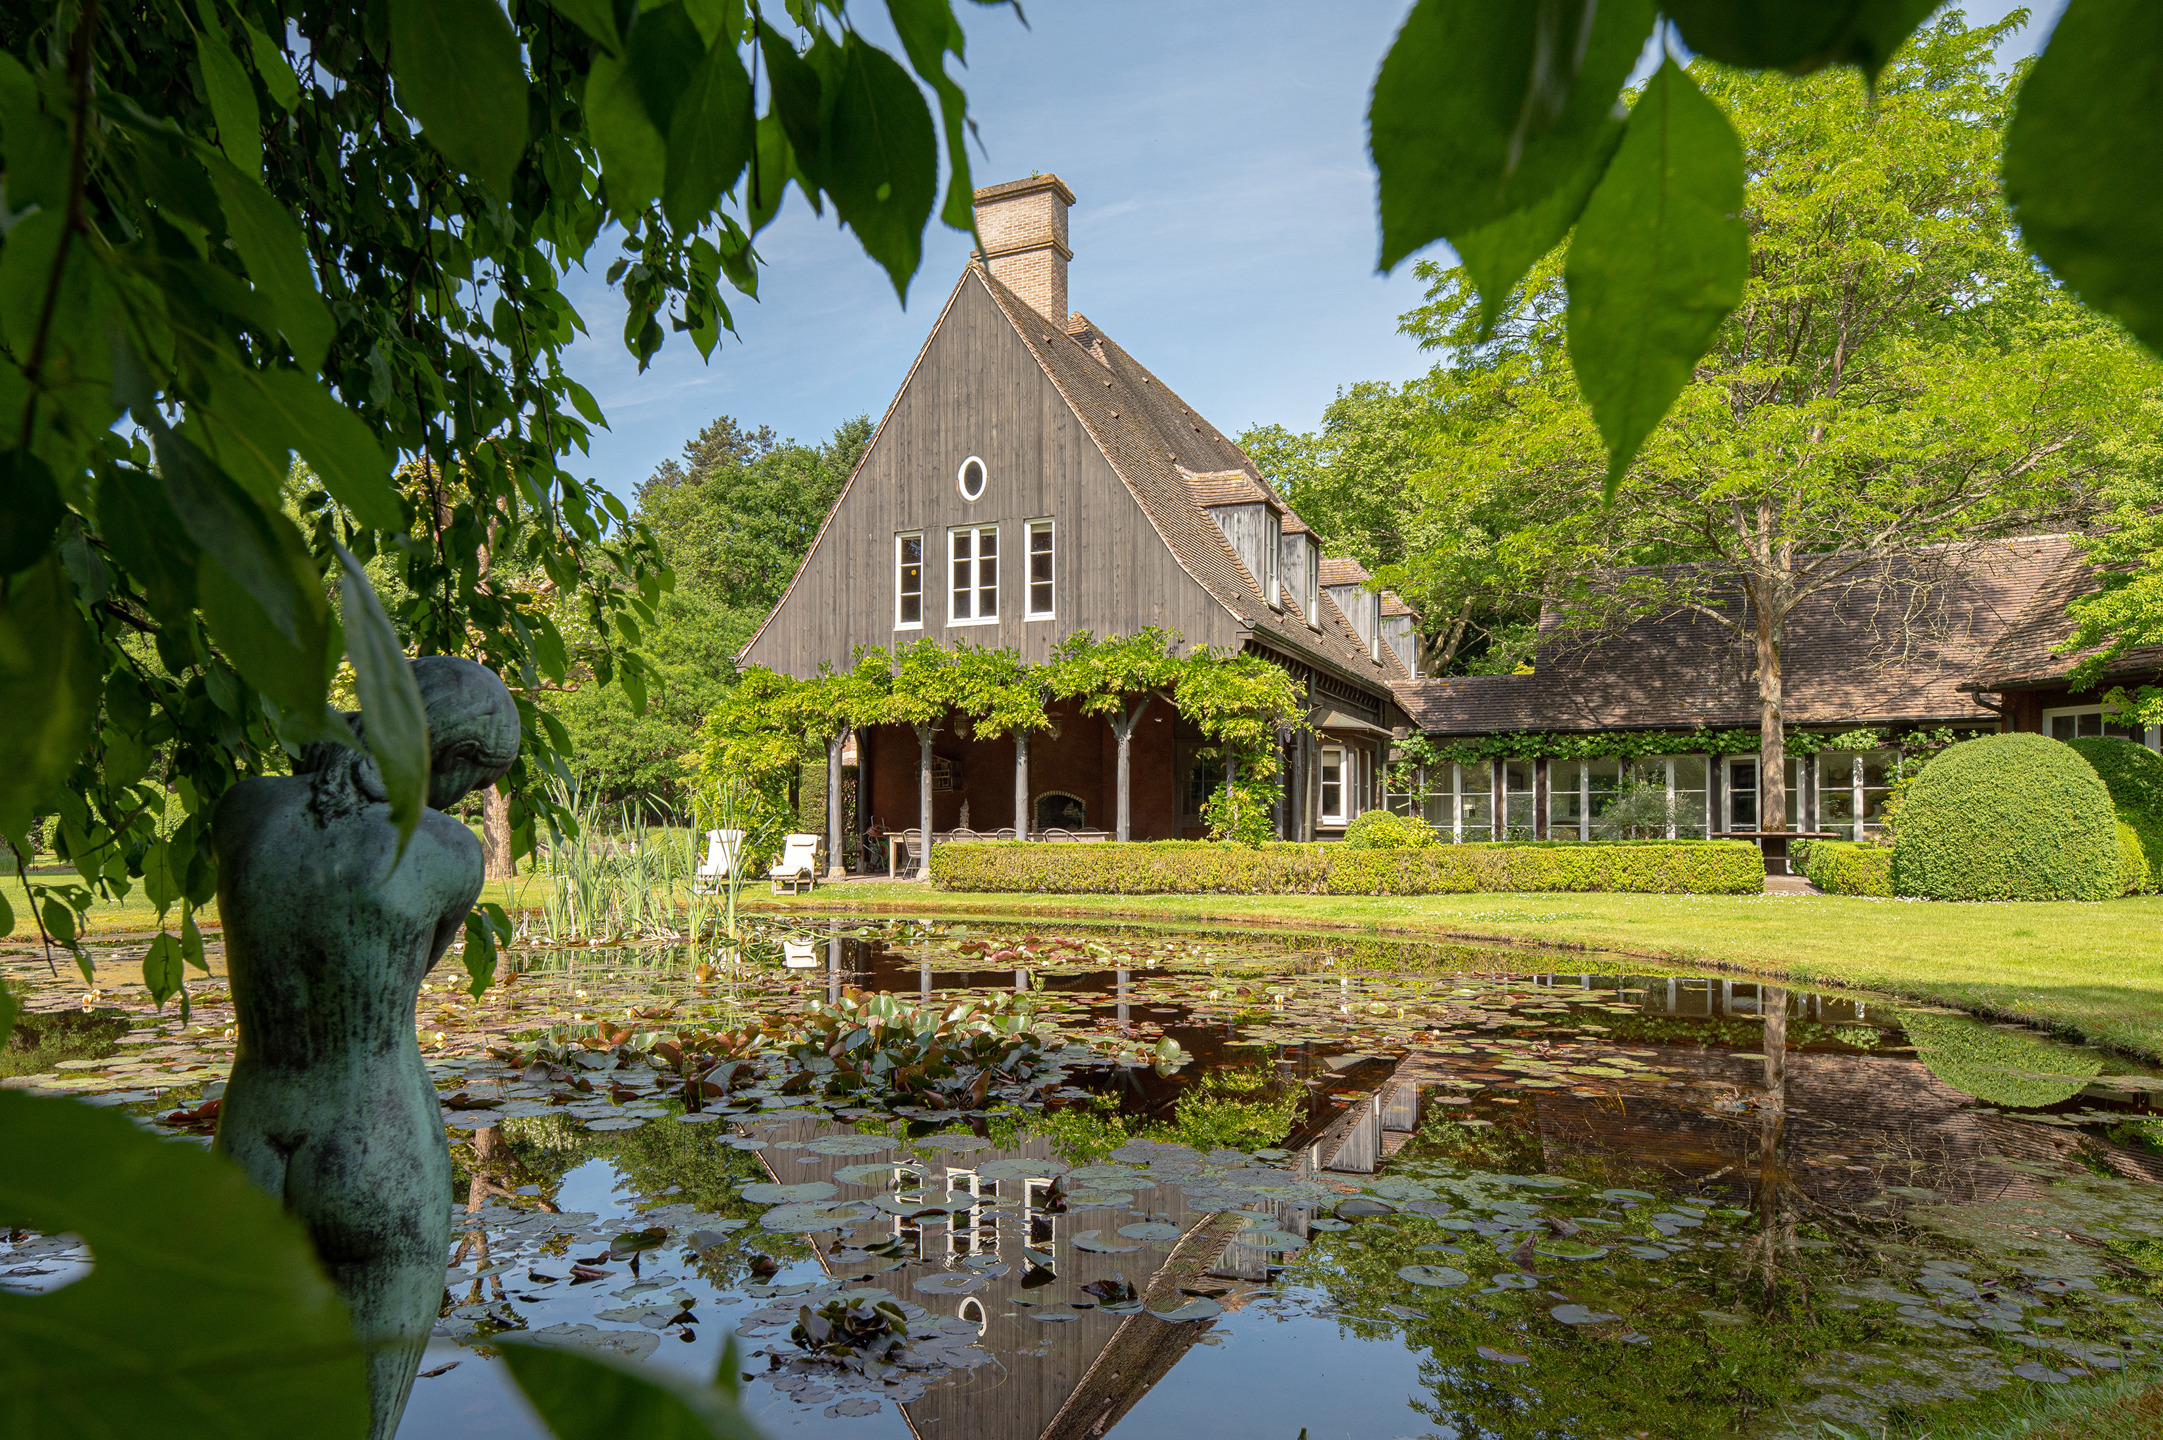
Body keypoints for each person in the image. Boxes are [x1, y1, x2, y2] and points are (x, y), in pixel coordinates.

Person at [212, 656, 519, 1440]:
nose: (465, 798)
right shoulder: (449, 852)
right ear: (446, 757)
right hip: (375, 1137)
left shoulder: (243, 812)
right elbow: (410, 968)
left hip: (250, 1136)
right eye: (474, 777)